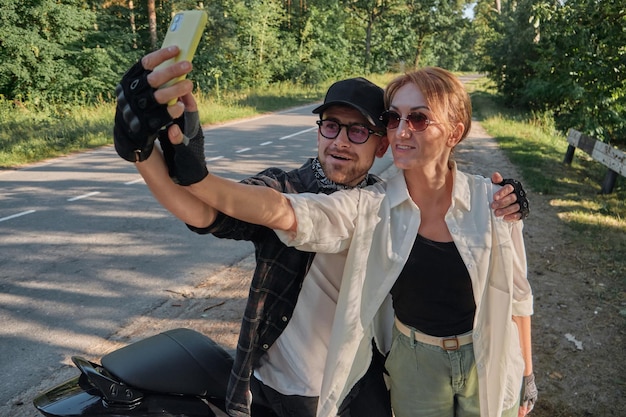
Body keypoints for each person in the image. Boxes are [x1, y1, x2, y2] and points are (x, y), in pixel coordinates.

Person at [113, 46, 530, 417]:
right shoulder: (310, 190)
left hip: (357, 377)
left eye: (359, 130)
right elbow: (221, 212)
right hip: (283, 383)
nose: (341, 141)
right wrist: (144, 153)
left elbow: (510, 290)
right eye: (331, 125)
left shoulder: (415, 203)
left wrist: (502, 198)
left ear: (379, 145)